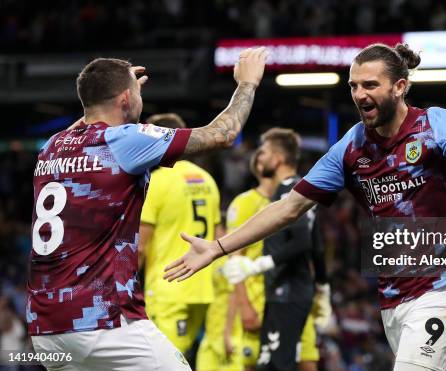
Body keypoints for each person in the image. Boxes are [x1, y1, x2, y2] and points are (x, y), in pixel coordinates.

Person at [164, 43, 446, 371]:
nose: (359, 94)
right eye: (354, 85)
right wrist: (219, 247)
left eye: (370, 85)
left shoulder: (433, 124)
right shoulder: (351, 147)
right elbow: (290, 207)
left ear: (399, 87)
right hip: (394, 295)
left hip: (445, 282)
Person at [27, 47, 268, 370]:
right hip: (102, 321)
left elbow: (88, 120)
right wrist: (247, 84)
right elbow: (223, 134)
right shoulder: (126, 139)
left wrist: (108, 89)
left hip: (45, 327)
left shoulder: (52, 146)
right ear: (126, 99)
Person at [223, 128, 327, 371]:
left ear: (278, 158)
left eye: (265, 152)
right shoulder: (301, 188)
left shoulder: (290, 191)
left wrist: (258, 265)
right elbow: (317, 243)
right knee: (270, 363)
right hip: (284, 292)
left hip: (288, 292)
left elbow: (303, 241)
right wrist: (323, 287)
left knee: (278, 364)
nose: (259, 156)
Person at [138, 113, 222, 360]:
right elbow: (218, 235)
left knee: (162, 362)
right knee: (181, 359)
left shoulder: (156, 181)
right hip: (203, 288)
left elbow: (140, 246)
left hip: (169, 288)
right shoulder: (207, 180)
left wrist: (125, 291)